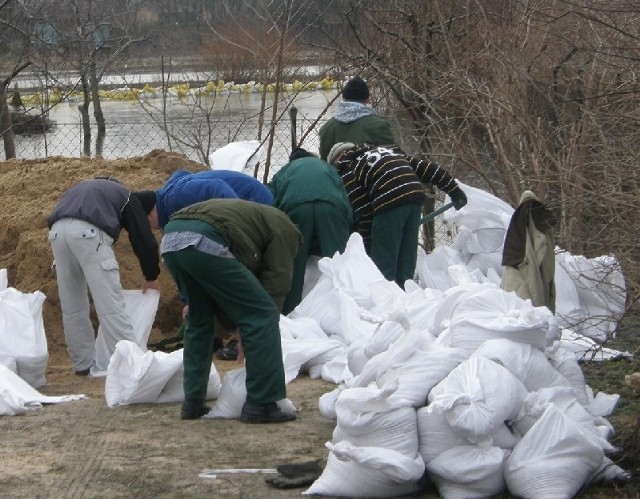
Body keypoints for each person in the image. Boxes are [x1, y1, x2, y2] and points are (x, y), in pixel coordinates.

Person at [160, 198, 302, 422]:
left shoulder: (254, 222)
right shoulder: (286, 230)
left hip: (171, 240)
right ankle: (262, 404)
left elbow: (228, 292)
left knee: (199, 318)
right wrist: (255, 329)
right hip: (206, 238)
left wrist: (239, 328)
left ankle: (193, 402)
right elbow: (276, 283)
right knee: (263, 312)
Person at [47, 177, 160, 375]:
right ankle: (131, 365)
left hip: (57, 233)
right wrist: (151, 275)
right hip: (89, 234)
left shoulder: (86, 188)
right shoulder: (128, 197)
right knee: (110, 305)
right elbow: (144, 240)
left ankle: (83, 365)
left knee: (72, 306)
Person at [327, 143, 468, 288]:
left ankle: (384, 302)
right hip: (414, 196)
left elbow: (363, 212)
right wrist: (454, 190)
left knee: (383, 263)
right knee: (406, 257)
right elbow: (426, 168)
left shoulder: (349, 171)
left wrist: (369, 246)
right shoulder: (387, 151)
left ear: (337, 161)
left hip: (388, 202)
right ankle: (406, 294)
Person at [268, 148, 354, 314]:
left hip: (296, 207)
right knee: (337, 260)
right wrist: (346, 227)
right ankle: (347, 308)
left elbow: (272, 200)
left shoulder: (285, 170)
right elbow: (345, 200)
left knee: (294, 262)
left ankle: (290, 312)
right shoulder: (327, 167)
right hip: (331, 207)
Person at [150, 168, 274, 231]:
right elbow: (181, 173)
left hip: (255, 199)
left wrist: (240, 224)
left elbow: (217, 186)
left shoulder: (174, 199)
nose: (151, 229)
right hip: (253, 192)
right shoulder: (165, 195)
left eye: (147, 224)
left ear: (150, 213)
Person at [501, 190, 557, 312]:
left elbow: (529, 267)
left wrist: (539, 308)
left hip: (519, 291)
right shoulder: (542, 221)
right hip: (528, 287)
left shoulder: (518, 225)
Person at [318, 76, 395, 161]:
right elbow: (391, 160)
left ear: (343, 98)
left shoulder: (327, 127)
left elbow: (324, 161)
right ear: (367, 99)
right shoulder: (379, 126)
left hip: (337, 174)